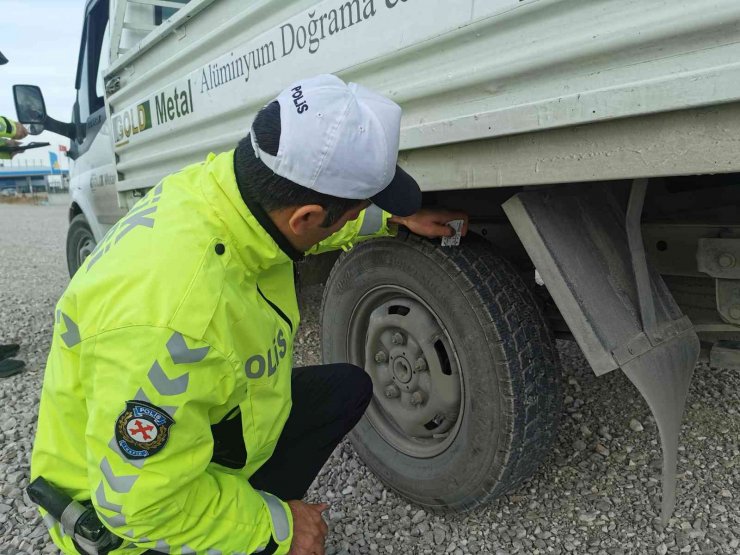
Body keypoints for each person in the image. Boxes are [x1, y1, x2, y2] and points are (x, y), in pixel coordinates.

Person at [30, 74, 468, 555]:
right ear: (304, 218)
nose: (350, 220)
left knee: (344, 389)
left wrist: (389, 219)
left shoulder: (220, 189)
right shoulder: (176, 320)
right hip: (119, 525)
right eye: (351, 212)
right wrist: (277, 527)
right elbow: (137, 509)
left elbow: (310, 220)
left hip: (161, 447)